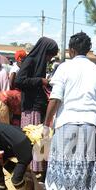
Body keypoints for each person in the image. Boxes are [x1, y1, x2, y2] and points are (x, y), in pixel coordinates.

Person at [44, 32, 96, 190]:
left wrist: (47, 123)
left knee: (59, 166)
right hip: (90, 125)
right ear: (87, 50)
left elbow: (55, 98)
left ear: (71, 50)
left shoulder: (64, 67)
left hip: (66, 124)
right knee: (86, 171)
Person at [15, 37, 59, 176]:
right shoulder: (30, 60)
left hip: (38, 105)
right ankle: (31, 170)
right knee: (33, 139)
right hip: (30, 107)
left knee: (40, 140)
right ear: (44, 52)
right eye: (49, 55)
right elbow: (19, 81)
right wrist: (41, 80)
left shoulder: (40, 63)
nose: (49, 58)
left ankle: (38, 170)